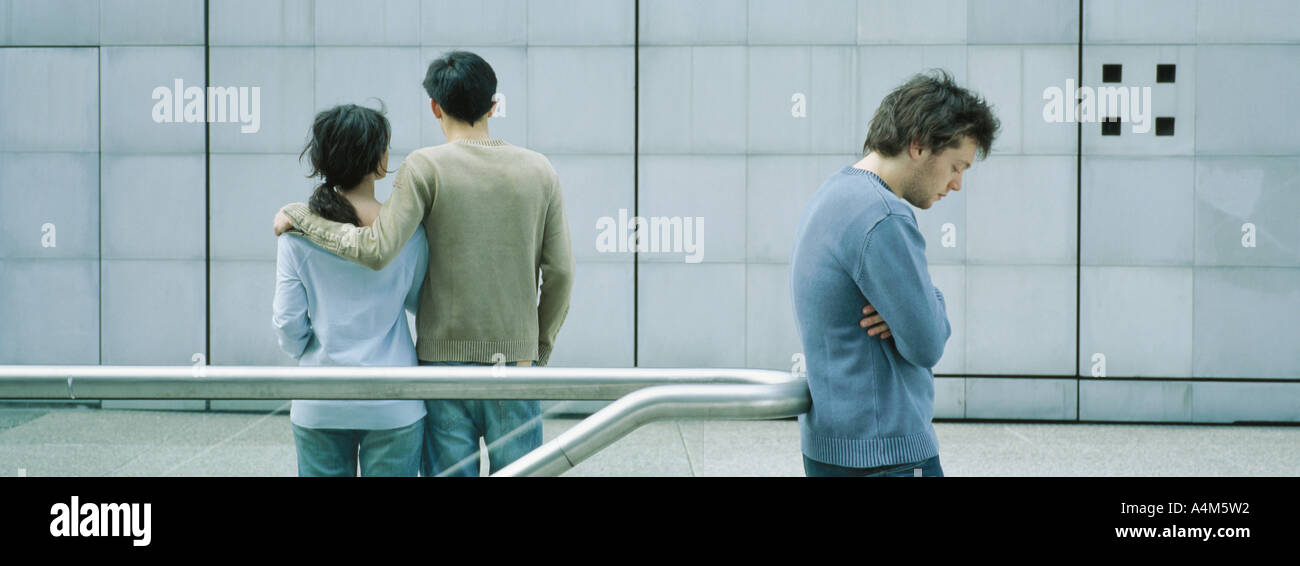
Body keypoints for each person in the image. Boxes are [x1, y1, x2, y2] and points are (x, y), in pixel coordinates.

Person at [272, 51, 574, 477]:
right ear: (494, 105)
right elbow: (560, 272)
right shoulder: (540, 170)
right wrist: (538, 351)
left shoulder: (424, 167)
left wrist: (302, 218)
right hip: (516, 365)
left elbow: (376, 248)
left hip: (441, 367)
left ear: (435, 106)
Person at [790, 69, 999, 477]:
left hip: (832, 448)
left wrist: (906, 309)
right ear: (919, 145)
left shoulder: (832, 194)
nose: (956, 185)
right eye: (956, 166)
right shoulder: (883, 214)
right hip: (887, 455)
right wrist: (928, 299)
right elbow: (926, 342)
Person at [273, 103, 429, 477]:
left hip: (320, 397)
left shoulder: (296, 233)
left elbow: (287, 323)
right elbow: (419, 304)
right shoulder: (407, 233)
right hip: (395, 402)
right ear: (380, 161)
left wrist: (308, 350)